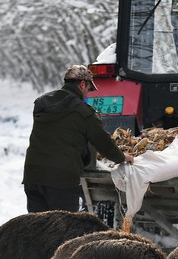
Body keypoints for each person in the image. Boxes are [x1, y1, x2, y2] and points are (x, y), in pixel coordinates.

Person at [22, 64, 134, 212]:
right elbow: (103, 143)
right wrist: (122, 157)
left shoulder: (42, 103)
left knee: (38, 227)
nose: (87, 94)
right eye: (88, 89)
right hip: (61, 180)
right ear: (82, 84)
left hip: (33, 175)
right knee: (62, 227)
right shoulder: (83, 112)